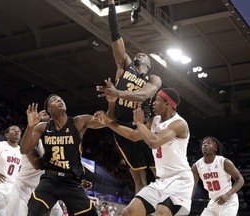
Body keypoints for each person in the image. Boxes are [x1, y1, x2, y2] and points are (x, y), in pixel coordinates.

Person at [96, 0, 162, 194]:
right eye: (139, 53)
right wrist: (111, 7)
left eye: (145, 55)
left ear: (149, 64)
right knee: (138, 180)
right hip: (122, 129)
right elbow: (115, 36)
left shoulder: (153, 78)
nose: (141, 53)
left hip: (144, 127)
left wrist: (119, 92)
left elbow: (145, 96)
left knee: (158, 175)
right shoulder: (124, 65)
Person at [94, 88, 194, 215]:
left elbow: (154, 142)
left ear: (167, 104)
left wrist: (140, 124)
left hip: (180, 180)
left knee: (161, 213)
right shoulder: (155, 120)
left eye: (157, 100)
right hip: (161, 181)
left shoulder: (179, 124)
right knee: (128, 212)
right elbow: (133, 136)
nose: (153, 103)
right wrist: (108, 122)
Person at [20, 94, 103, 216]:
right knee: (35, 209)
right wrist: (30, 126)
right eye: (54, 100)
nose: (59, 100)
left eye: (60, 99)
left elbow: (105, 122)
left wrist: (111, 104)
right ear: (49, 109)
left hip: (72, 182)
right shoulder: (42, 128)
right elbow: (24, 149)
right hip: (50, 180)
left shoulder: (78, 121)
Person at [6, 110, 64, 216]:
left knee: (58, 214)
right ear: (37, 120)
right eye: (46, 115)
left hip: (43, 187)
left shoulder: (51, 141)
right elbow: (38, 165)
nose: (50, 117)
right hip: (24, 187)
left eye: (51, 116)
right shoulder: (31, 138)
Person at [191, 136, 244, 215]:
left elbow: (240, 180)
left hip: (228, 201)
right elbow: (192, 185)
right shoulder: (196, 166)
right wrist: (187, 199)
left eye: (209, 143)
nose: (205, 145)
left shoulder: (224, 162)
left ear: (215, 148)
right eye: (203, 143)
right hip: (213, 202)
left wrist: (227, 195)